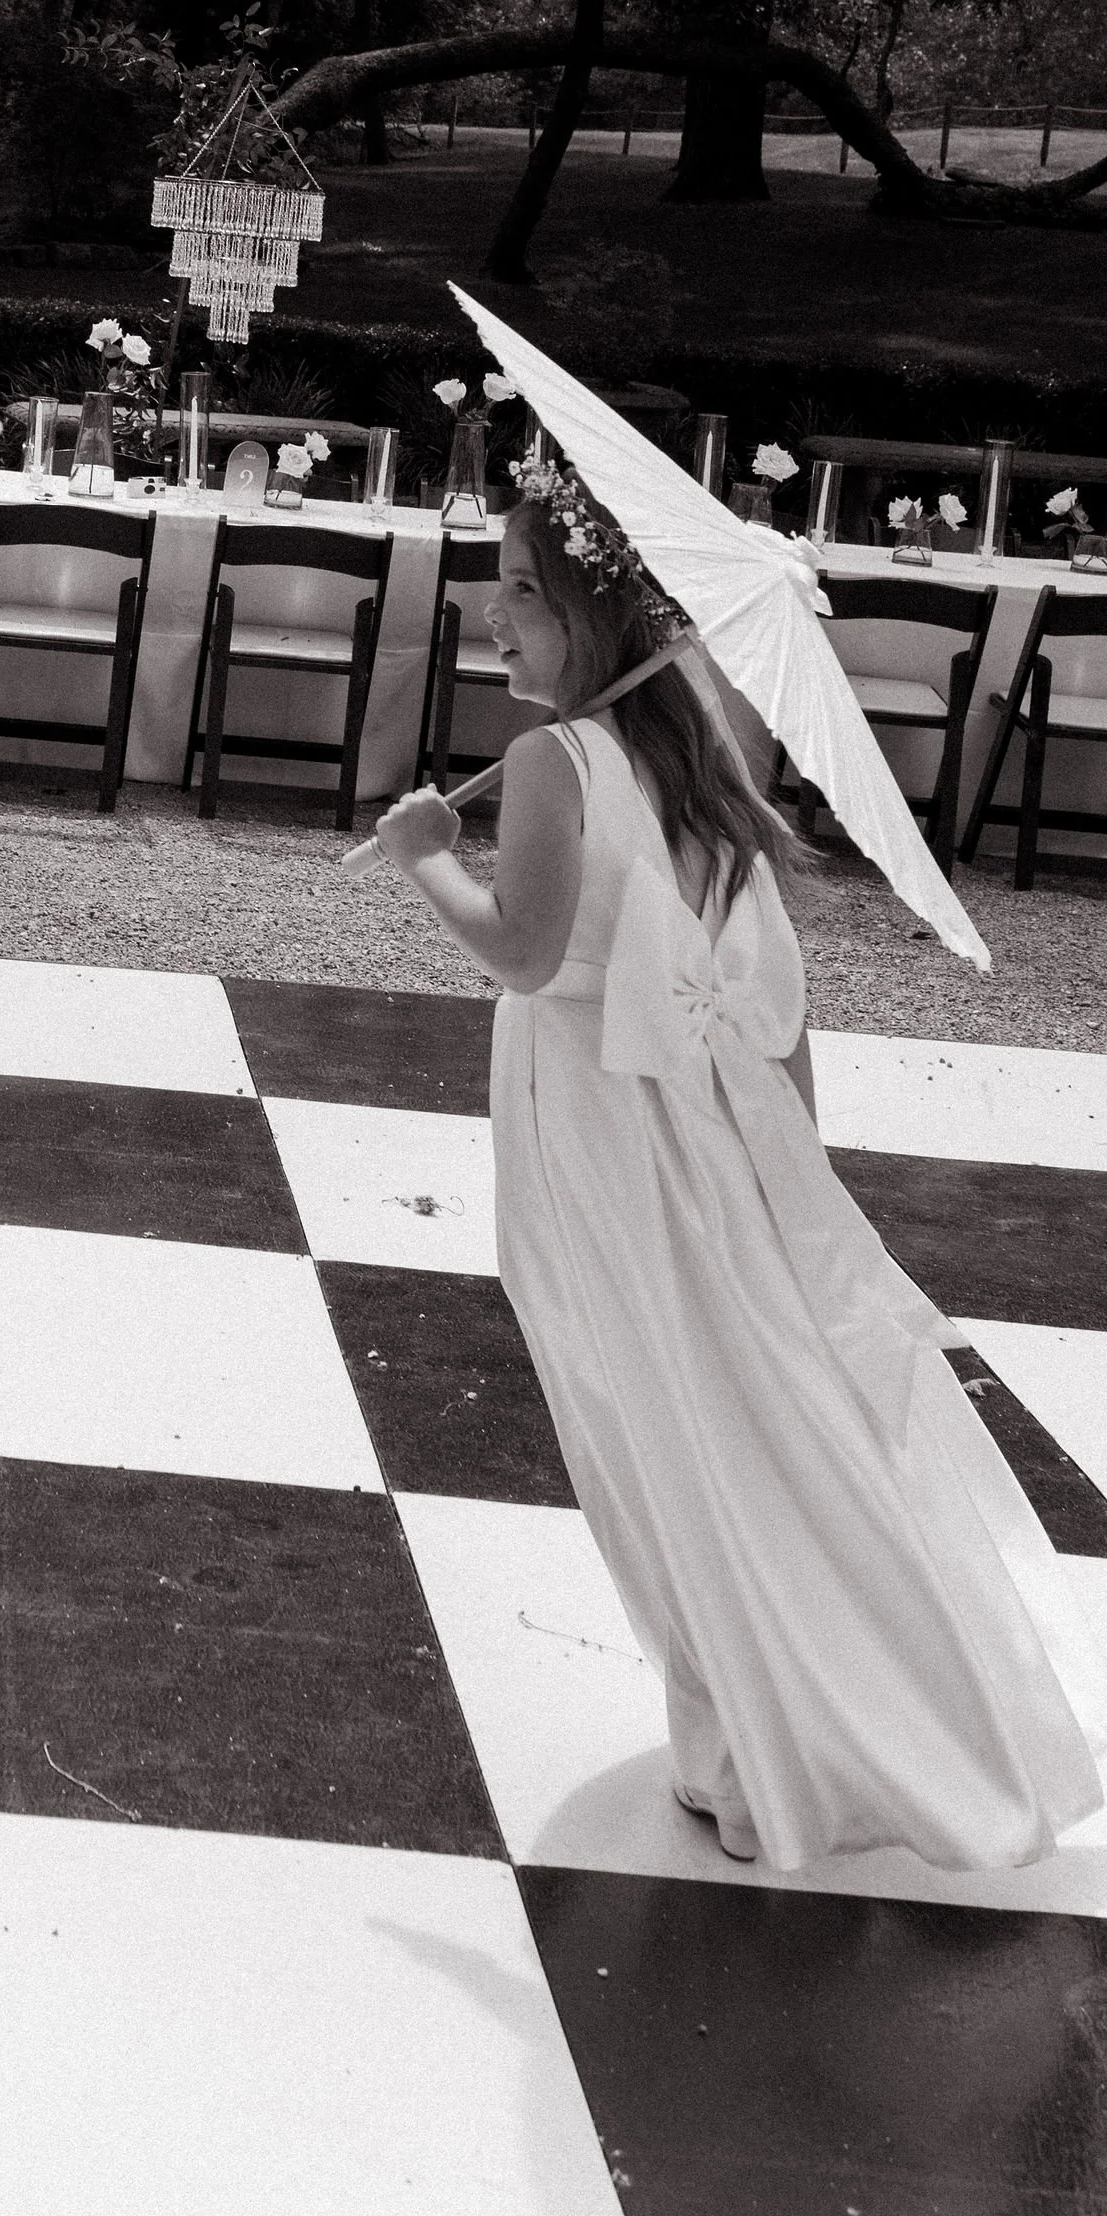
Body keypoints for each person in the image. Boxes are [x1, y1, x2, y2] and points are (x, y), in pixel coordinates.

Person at [375, 457, 1107, 1877]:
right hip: (696, 1127)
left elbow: (524, 954)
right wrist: (792, 1167)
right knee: (722, 1404)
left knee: (640, 1408)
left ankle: (747, 1732)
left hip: (595, 1118)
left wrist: (424, 856)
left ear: (596, 611)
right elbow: (766, 990)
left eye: (523, 590)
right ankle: (776, 1717)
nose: (493, 615)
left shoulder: (554, 760)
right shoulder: (695, 747)